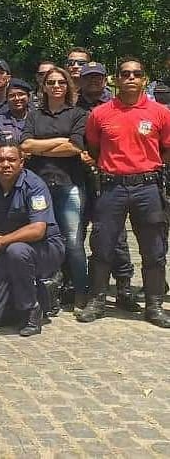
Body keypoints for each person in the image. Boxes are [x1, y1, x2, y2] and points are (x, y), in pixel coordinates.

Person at [78, 57, 170, 328]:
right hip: (112, 187)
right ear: (116, 80)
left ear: (144, 79)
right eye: (125, 73)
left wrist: (149, 167)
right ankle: (97, 300)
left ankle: (154, 305)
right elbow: (94, 148)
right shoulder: (100, 114)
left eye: (136, 74)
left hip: (147, 187)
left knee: (153, 249)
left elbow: (166, 149)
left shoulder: (160, 113)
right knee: (102, 245)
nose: (131, 78)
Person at [0, 143, 65, 336]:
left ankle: (32, 309)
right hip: (8, 252)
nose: (5, 164)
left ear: (21, 162)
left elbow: (37, 230)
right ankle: (44, 293)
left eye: (11, 159)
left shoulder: (34, 186)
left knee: (17, 251)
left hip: (45, 249)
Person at [21, 67, 88, 308]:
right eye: (51, 82)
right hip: (39, 186)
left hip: (69, 185)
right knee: (40, 239)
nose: (56, 86)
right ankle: (44, 293)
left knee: (73, 242)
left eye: (61, 82)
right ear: (44, 87)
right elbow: (25, 145)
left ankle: (81, 292)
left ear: (67, 86)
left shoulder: (78, 114)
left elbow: (76, 147)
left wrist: (40, 147)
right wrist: (61, 140)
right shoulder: (34, 115)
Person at [76, 62, 138, 312]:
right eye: (88, 77)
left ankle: (123, 286)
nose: (93, 81)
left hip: (110, 180)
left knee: (117, 237)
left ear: (105, 80)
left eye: (97, 77)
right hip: (77, 177)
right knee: (77, 234)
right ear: (80, 80)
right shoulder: (72, 105)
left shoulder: (117, 105)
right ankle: (78, 285)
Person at [0, 79, 31, 154]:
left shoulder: (39, 119)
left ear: (28, 97)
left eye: (21, 94)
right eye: (12, 96)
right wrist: (19, 154)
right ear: (6, 99)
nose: (17, 98)